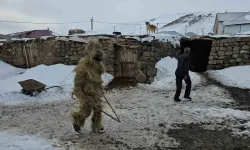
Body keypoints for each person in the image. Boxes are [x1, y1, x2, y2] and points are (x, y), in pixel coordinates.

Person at [71, 40, 106, 134]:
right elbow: (78, 81)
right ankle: (77, 121)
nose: (98, 59)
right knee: (86, 110)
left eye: (99, 57)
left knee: (98, 109)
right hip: (86, 92)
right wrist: (79, 92)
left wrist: (99, 88)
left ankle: (97, 126)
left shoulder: (97, 66)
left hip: (95, 92)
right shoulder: (83, 66)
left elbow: (97, 78)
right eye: (96, 56)